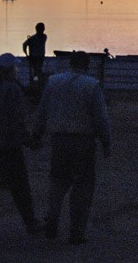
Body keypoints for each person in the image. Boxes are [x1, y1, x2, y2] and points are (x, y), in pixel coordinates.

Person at [33, 51, 112, 245]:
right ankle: (77, 231)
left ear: (70, 63)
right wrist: (106, 141)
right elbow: (101, 118)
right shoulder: (91, 85)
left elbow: (42, 111)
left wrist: (37, 134)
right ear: (87, 65)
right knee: (83, 186)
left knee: (57, 182)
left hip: (58, 139)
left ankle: (51, 218)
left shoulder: (53, 82)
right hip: (83, 141)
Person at [0, 53, 41, 242]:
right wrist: (28, 140)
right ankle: (31, 223)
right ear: (11, 70)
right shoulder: (12, 90)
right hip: (7, 146)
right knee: (20, 186)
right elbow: (16, 121)